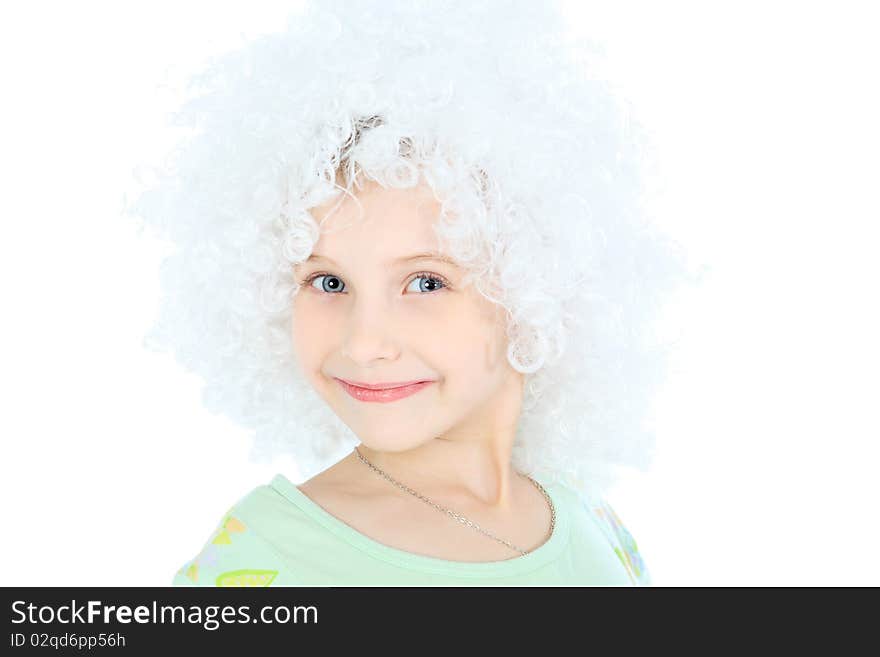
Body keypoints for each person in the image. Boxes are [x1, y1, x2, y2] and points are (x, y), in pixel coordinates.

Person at [127, 0, 691, 586]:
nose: (365, 342)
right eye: (329, 282)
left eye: (426, 282)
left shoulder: (590, 522)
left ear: (533, 285)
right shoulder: (271, 559)